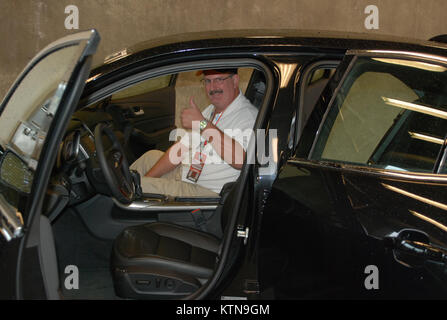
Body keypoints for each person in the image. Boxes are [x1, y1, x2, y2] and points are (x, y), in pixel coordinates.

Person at [130, 68, 258, 197]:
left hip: (205, 191)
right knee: (149, 158)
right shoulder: (212, 110)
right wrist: (148, 179)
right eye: (207, 81)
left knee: (132, 188)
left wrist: (202, 123)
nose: (212, 87)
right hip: (188, 174)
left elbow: (242, 160)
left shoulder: (248, 116)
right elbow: (181, 149)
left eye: (219, 80)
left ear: (235, 80)